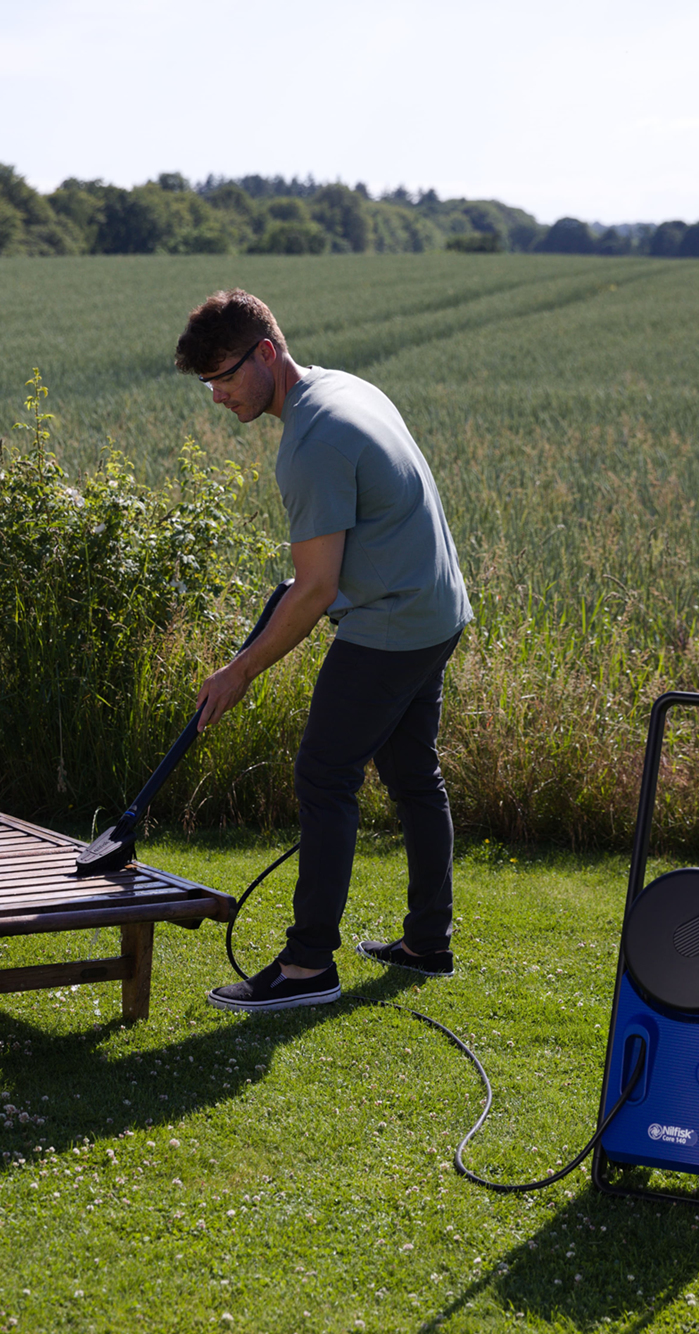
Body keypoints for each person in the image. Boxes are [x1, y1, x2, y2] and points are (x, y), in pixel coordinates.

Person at [173, 290, 472, 1013]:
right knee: (413, 775)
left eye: (225, 377)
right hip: (436, 609)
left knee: (324, 775)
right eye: (207, 383)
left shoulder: (313, 443)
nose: (217, 396)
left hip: (391, 624)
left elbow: (315, 590)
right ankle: (427, 943)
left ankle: (308, 966)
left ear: (266, 353)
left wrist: (239, 671)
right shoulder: (343, 388)